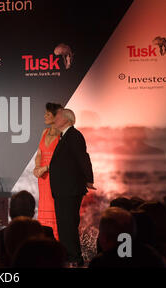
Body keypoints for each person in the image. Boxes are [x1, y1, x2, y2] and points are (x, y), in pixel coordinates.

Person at [48, 108, 95, 266]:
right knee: (65, 225)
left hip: (69, 190)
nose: (55, 118)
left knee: (68, 225)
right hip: (64, 190)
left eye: (58, 116)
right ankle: (70, 257)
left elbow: (83, 158)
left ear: (67, 119)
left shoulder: (74, 136)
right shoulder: (65, 136)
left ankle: (74, 258)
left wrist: (89, 180)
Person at [33, 102, 62, 238]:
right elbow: (39, 153)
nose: (44, 116)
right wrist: (37, 167)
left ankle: (57, 242)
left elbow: (64, 160)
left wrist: (46, 168)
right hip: (43, 179)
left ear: (56, 116)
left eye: (48, 114)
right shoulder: (44, 132)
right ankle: (44, 240)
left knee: (55, 210)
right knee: (44, 208)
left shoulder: (63, 134)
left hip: (55, 177)